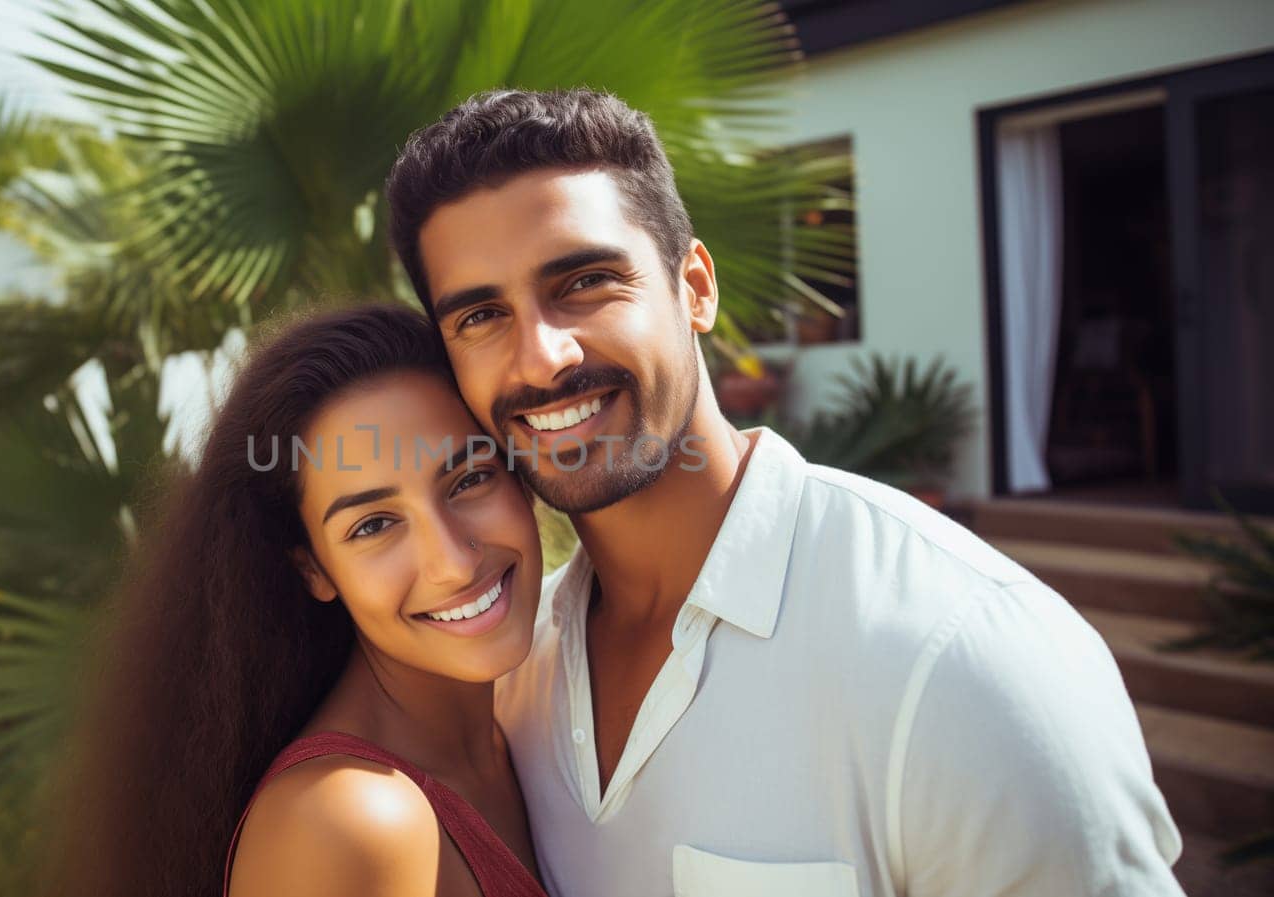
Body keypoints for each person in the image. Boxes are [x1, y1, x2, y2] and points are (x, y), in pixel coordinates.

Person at [385, 88, 1185, 896]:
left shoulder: (956, 655)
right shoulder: (516, 674)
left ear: (695, 287)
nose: (542, 358)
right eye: (481, 316)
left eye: (585, 281)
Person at [42, 305, 549, 897]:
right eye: (374, 525)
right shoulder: (351, 821)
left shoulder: (535, 717)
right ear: (312, 567)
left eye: (468, 479)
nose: (453, 562)